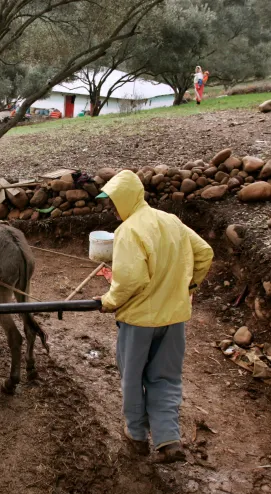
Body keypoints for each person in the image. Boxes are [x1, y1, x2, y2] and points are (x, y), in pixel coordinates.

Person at [93, 170, 213, 463]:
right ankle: (168, 439)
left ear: (123, 200)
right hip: (173, 319)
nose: (111, 210)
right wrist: (190, 285)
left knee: (133, 378)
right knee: (165, 378)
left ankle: (136, 436)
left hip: (139, 322)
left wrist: (108, 301)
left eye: (112, 204)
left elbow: (130, 280)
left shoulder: (129, 231)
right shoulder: (171, 220)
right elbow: (205, 253)